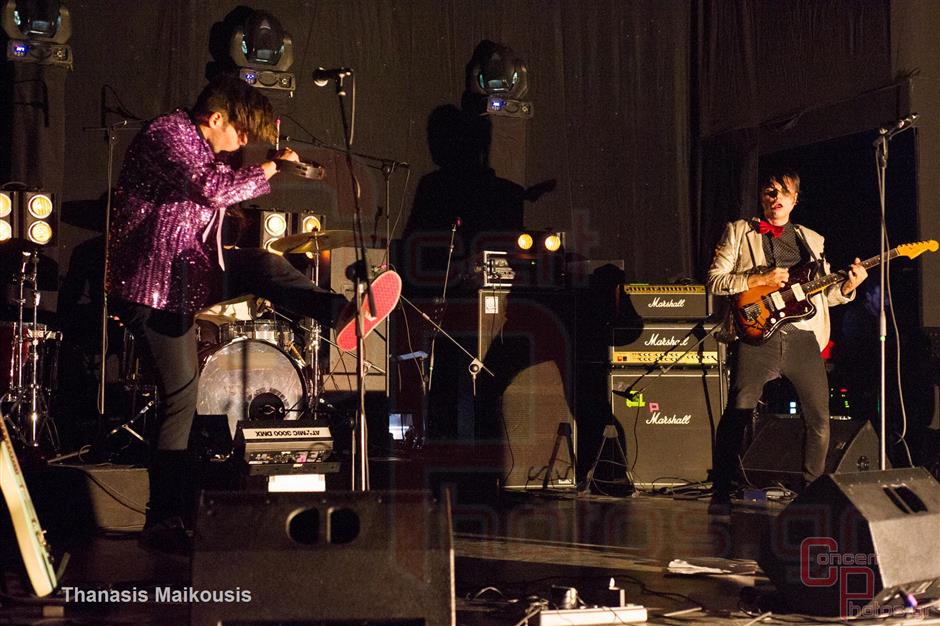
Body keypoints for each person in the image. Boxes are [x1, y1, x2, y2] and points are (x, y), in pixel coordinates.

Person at [106, 75, 398, 553]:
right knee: (180, 400)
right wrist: (272, 166)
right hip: (151, 288)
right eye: (240, 132)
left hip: (189, 274)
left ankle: (343, 314)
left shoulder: (202, 147)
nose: (243, 142)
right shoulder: (167, 134)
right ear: (216, 117)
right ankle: (162, 521)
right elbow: (212, 189)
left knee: (262, 263)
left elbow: (210, 204)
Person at [706, 167, 867, 515]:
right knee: (739, 410)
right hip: (757, 335)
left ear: (795, 199)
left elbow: (823, 295)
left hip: (802, 336)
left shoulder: (812, 239)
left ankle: (811, 494)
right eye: (770, 191)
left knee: (819, 418)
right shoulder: (740, 231)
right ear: (762, 198)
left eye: (783, 192)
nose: (775, 197)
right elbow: (715, 280)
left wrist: (849, 286)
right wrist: (757, 278)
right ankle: (721, 489)